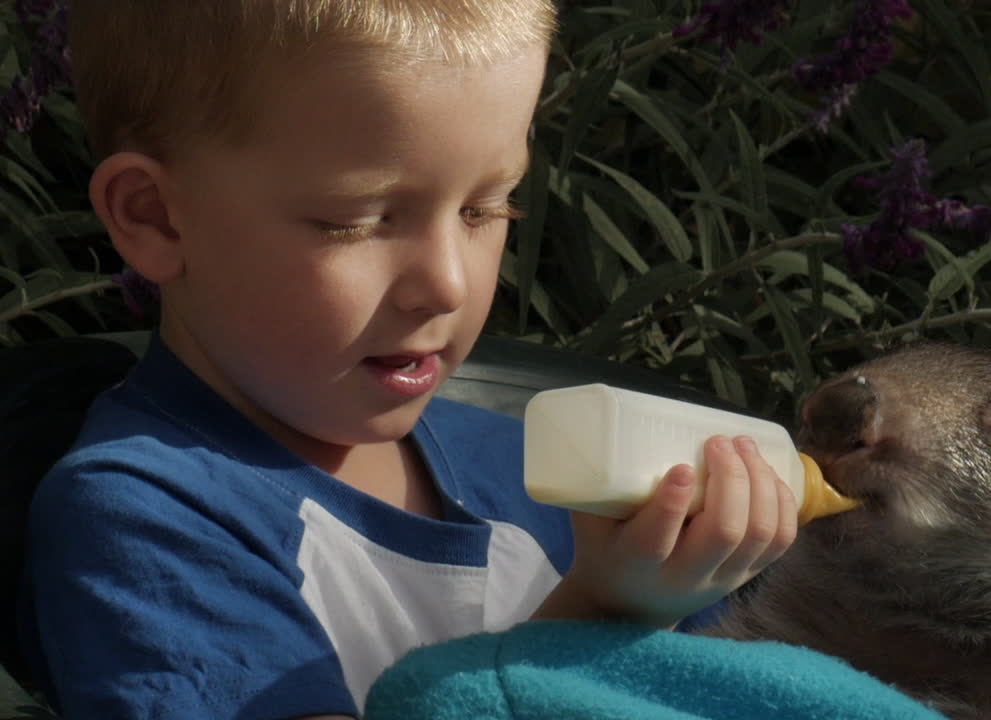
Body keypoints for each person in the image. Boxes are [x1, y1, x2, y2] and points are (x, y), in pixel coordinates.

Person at [19, 1, 799, 718]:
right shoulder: (144, 524)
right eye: (358, 220)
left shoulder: (534, 469)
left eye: (486, 208)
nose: (447, 284)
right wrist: (608, 613)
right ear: (156, 217)